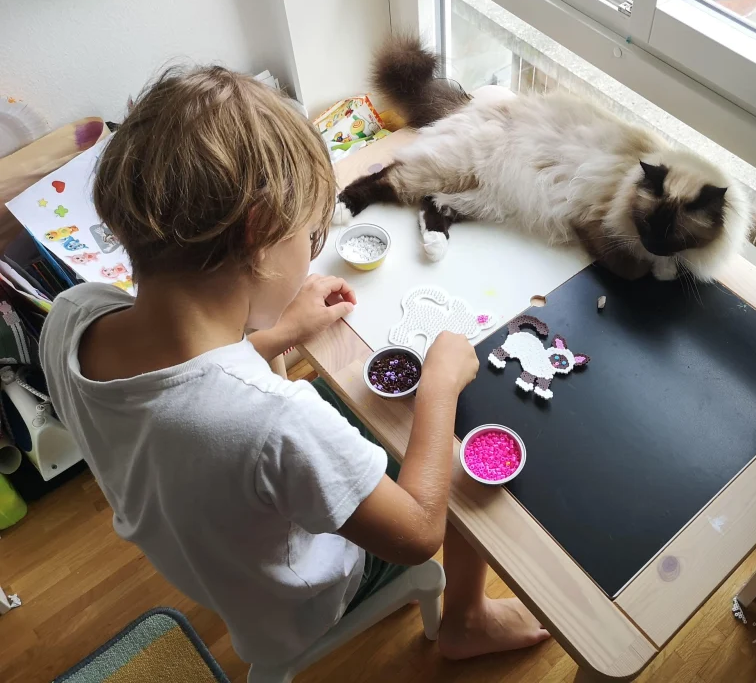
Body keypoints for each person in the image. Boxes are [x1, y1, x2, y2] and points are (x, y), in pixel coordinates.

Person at [39, 66, 549, 668]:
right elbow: (416, 535)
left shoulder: (74, 313)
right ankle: (467, 618)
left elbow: (181, 394)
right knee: (458, 453)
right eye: (310, 237)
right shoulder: (275, 421)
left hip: (209, 556)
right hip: (309, 592)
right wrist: (439, 388)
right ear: (259, 232)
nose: (312, 253)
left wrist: (279, 334)